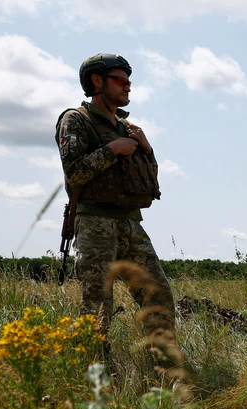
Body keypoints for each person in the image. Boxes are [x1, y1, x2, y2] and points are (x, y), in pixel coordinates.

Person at [55, 53, 175, 355]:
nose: (128, 87)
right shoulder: (75, 120)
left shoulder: (127, 127)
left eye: (129, 81)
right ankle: (93, 374)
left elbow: (150, 179)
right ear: (97, 81)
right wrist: (111, 149)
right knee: (97, 305)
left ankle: (163, 367)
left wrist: (147, 149)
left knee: (157, 296)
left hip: (131, 224)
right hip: (95, 222)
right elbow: (74, 174)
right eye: (120, 80)